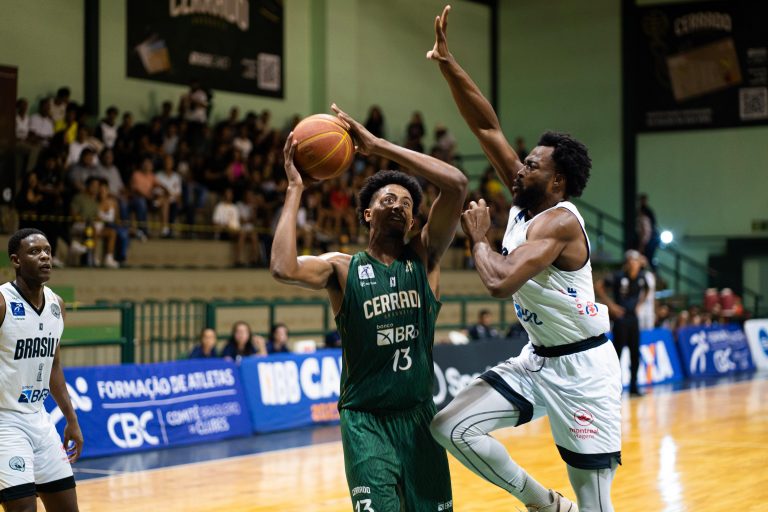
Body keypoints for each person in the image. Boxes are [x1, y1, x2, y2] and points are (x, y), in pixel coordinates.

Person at [427, 6, 620, 512]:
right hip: (538, 359)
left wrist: (479, 239)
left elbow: (500, 281)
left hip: (583, 371)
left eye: (531, 165)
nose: (519, 167)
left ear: (556, 181)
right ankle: (545, 504)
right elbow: (485, 126)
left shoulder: (559, 222)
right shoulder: (524, 199)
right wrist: (448, 63)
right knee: (450, 426)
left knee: (596, 504)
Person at [271, 103, 467, 512]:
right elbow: (283, 267)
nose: (399, 205)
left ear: (413, 222)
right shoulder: (342, 269)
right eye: (388, 199)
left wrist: (378, 146)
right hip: (365, 421)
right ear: (367, 213)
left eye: (407, 204)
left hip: (418, 418)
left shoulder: (425, 258)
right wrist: (295, 190)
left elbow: (456, 185)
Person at [0, 228, 83, 511]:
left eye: (47, 250)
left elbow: (53, 366)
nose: (45, 256)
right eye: (35, 251)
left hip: (39, 419)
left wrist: (71, 420)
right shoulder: (2, 302)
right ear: (16, 260)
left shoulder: (57, 305)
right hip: (5, 422)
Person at [596, 250, 648, 398]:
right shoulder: (618, 276)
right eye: (632, 260)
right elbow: (598, 286)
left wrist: (640, 305)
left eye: (636, 261)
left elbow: (647, 290)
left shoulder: (642, 277)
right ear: (627, 263)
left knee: (635, 354)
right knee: (617, 354)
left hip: (633, 319)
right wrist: (611, 306)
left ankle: (634, 387)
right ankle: (613, 389)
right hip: (620, 319)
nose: (634, 263)